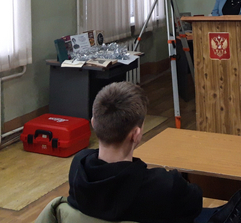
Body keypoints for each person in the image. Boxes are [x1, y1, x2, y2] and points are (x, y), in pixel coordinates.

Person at [67, 82, 212, 223]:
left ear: (93, 123)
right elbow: (195, 203)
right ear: (136, 134)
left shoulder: (78, 167)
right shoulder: (164, 184)